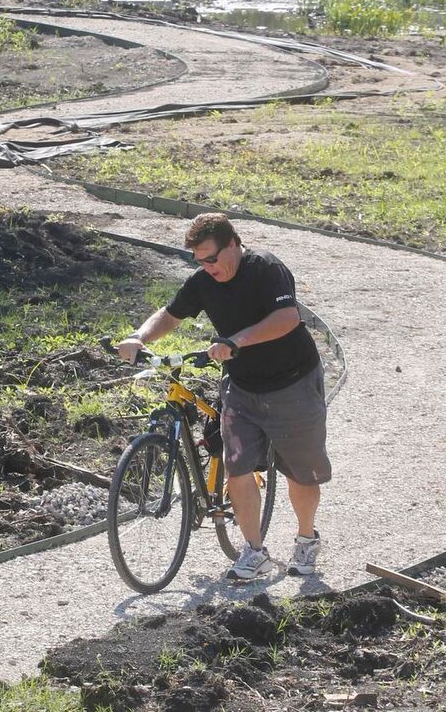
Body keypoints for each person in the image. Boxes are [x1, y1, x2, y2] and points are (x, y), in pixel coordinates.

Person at [117, 212, 331, 582]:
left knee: (300, 473)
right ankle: (254, 551)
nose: (206, 267)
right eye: (198, 260)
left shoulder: (266, 269)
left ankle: (306, 538)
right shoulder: (204, 282)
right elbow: (170, 315)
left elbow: (288, 318)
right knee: (237, 469)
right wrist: (140, 337)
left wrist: (236, 340)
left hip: (291, 382)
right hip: (242, 387)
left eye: (211, 258)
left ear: (233, 244)